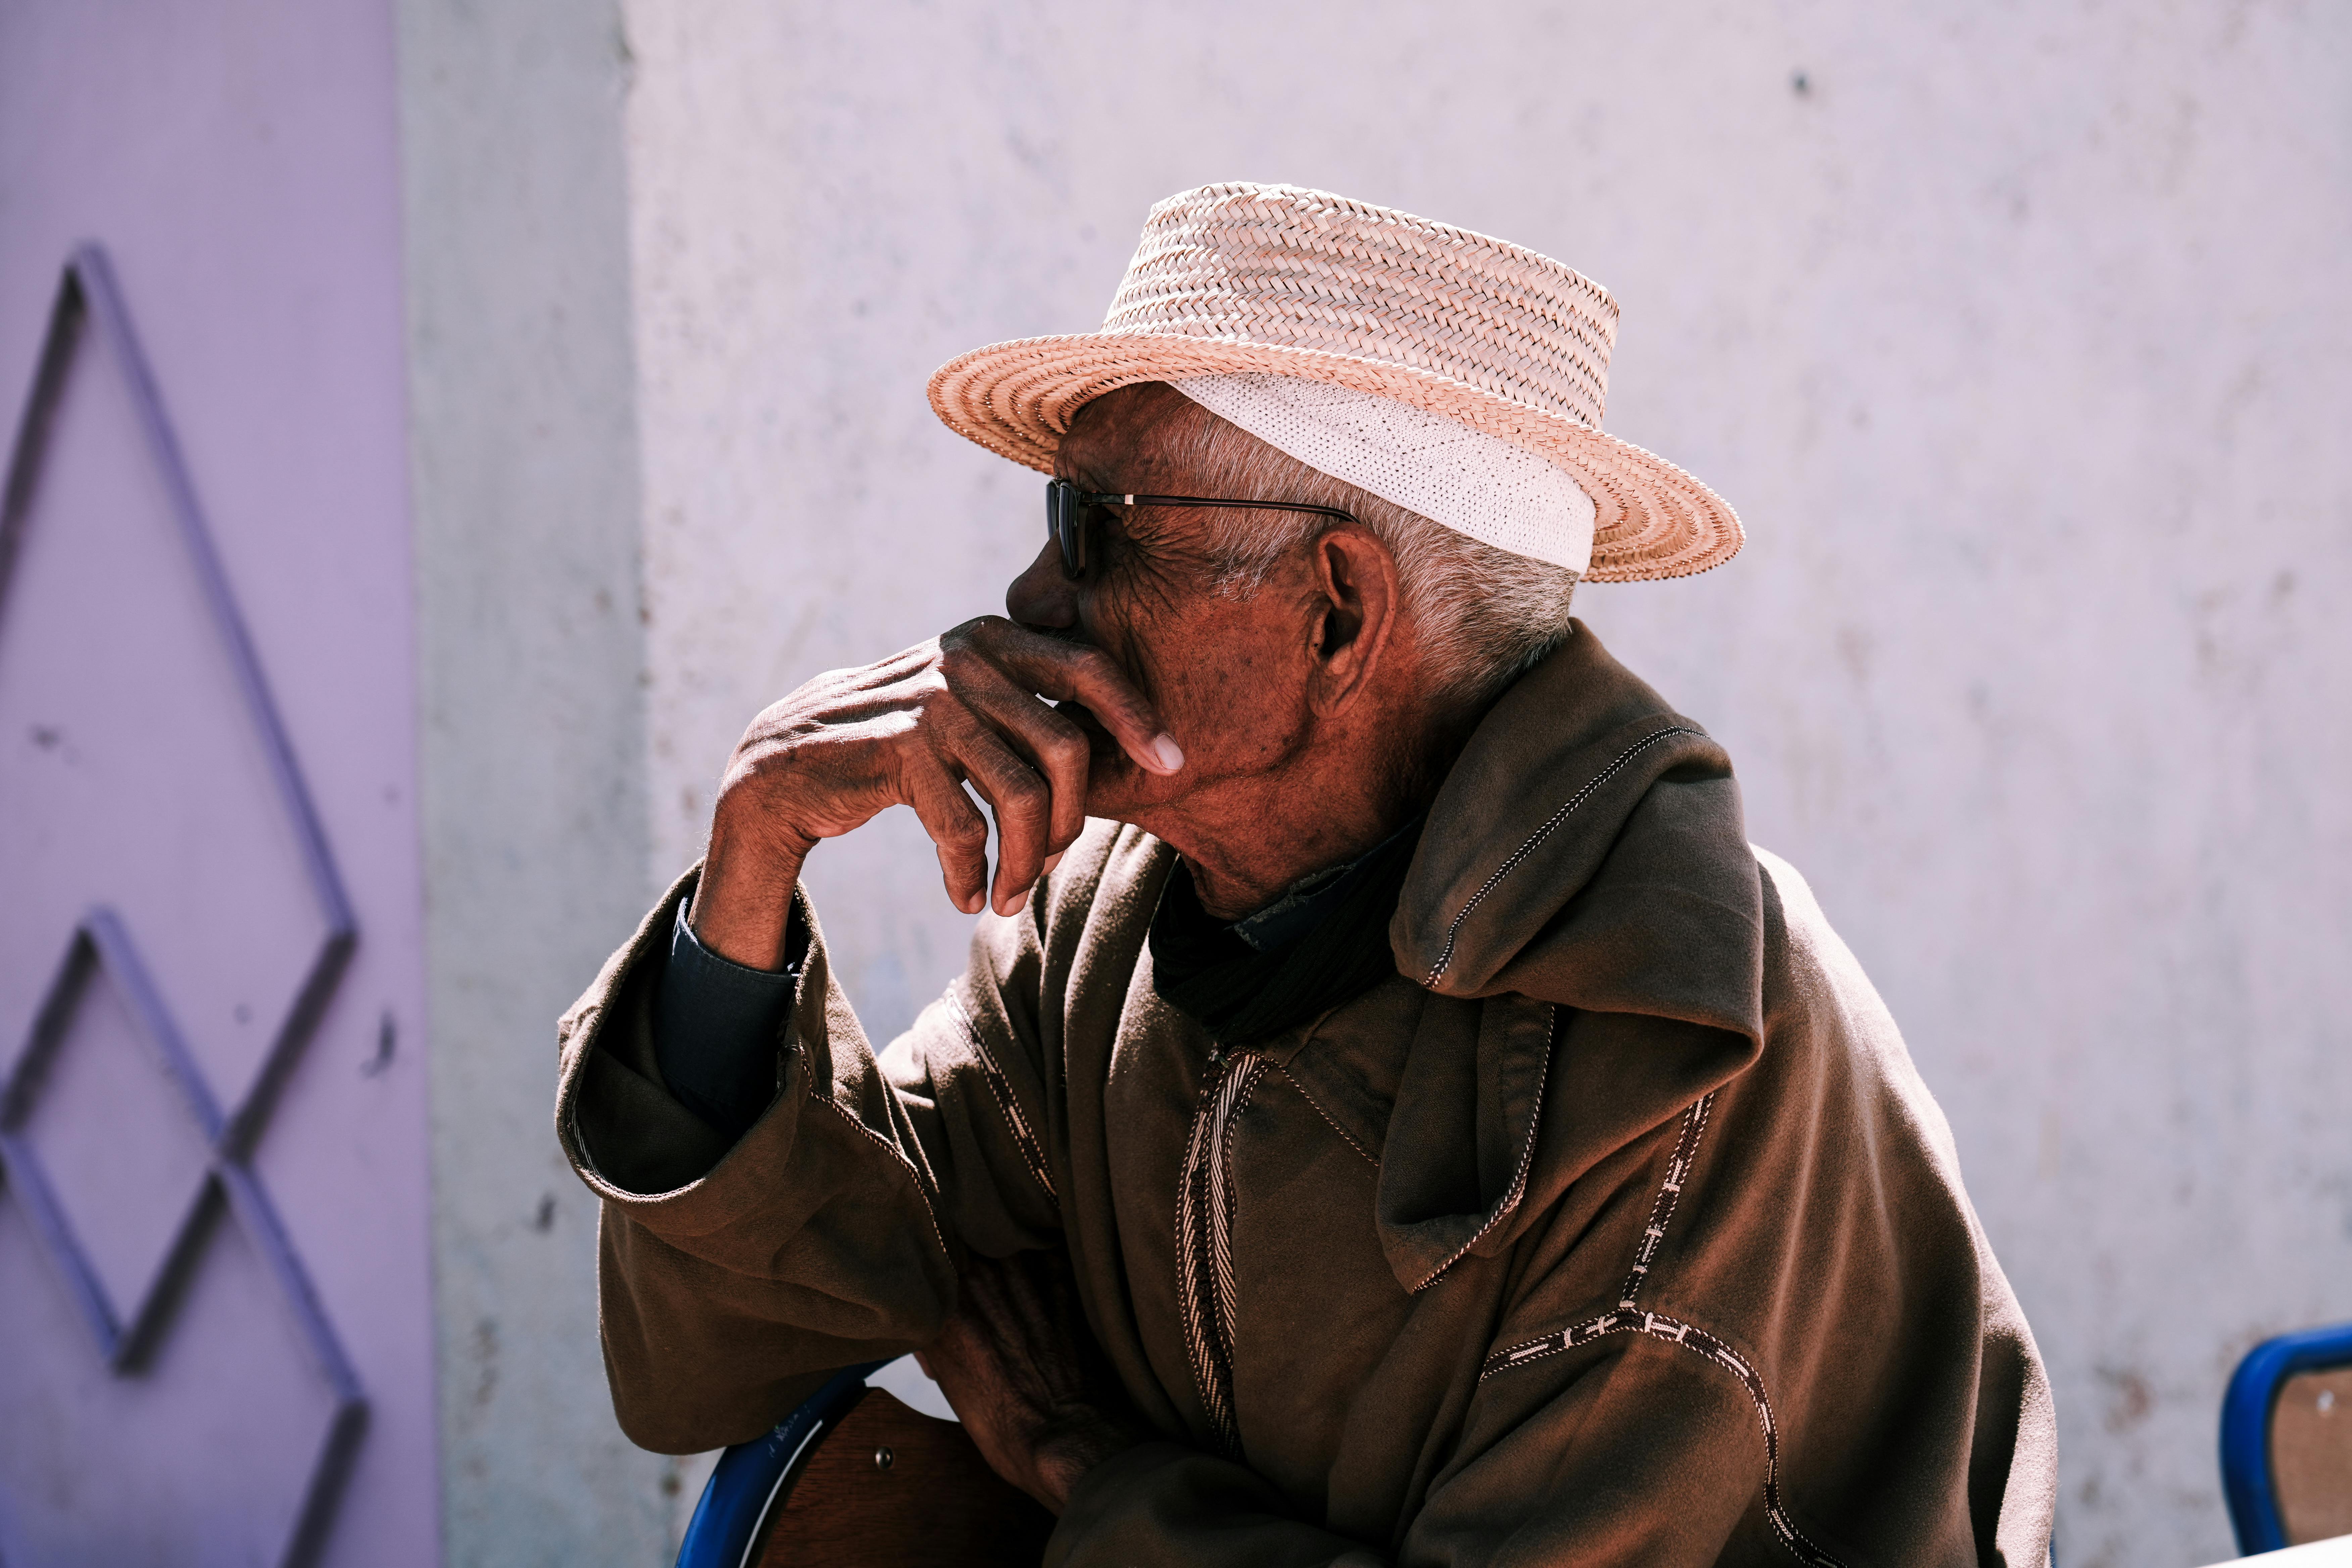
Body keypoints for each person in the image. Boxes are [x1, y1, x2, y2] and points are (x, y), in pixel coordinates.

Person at [556, 183, 2056, 1565]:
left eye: (1094, 530)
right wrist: (747, 874)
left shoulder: (1680, 1043)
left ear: (1338, 615)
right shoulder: (1109, 925)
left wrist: (1086, 1473)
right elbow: (722, 1357)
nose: (1030, 597)